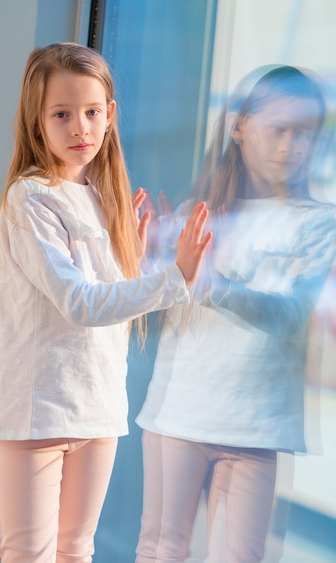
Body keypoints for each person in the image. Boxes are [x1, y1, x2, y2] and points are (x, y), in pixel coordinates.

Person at [0, 42, 211, 563]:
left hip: (97, 409)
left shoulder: (100, 199)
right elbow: (80, 304)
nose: (80, 127)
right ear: (37, 122)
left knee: (77, 550)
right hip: (37, 410)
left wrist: (136, 258)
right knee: (27, 554)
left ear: (110, 116)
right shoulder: (31, 197)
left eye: (91, 112)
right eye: (61, 114)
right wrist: (175, 277)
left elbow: (109, 309)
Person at [135, 65, 336, 563]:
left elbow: (290, 316)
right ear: (240, 126)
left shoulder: (318, 224)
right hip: (177, 413)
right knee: (161, 550)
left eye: (305, 134)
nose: (291, 146)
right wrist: (147, 259)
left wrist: (210, 285)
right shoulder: (195, 213)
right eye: (279, 130)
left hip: (256, 425)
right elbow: (151, 307)